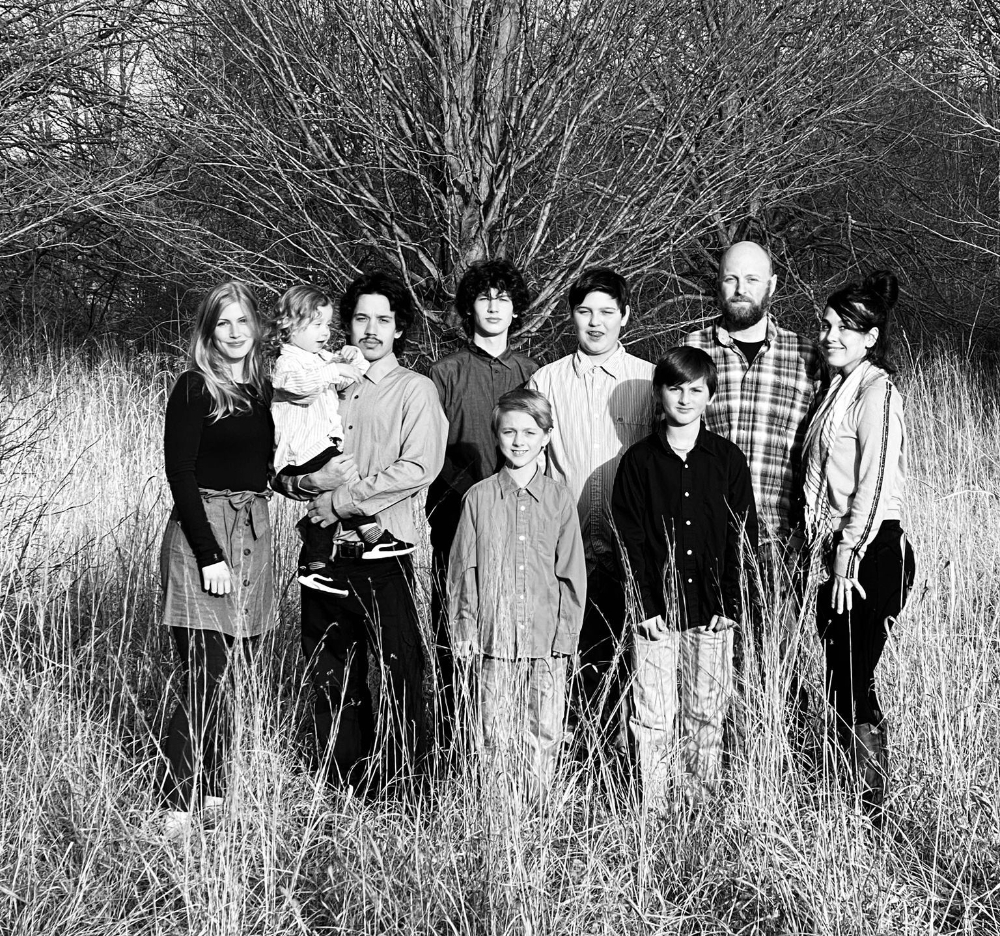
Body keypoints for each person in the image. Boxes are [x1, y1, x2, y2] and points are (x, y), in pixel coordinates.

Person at [277, 271, 447, 793]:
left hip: (382, 552)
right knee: (331, 670)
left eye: (383, 320)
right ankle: (345, 782)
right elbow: (281, 467)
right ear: (346, 325)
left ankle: (405, 786)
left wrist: (342, 500)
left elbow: (419, 466)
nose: (371, 329)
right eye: (361, 318)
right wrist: (307, 483)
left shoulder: (414, 390)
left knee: (400, 671)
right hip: (322, 550)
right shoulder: (319, 384)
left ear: (399, 329)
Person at [612, 348, 758, 807]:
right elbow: (627, 538)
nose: (685, 398)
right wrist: (645, 605)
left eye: (696, 389)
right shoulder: (637, 462)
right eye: (675, 388)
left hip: (711, 614)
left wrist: (731, 605)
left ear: (710, 396)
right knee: (653, 714)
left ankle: (699, 803)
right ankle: (652, 806)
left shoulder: (727, 460)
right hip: (656, 616)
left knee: (706, 711)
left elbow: (743, 535)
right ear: (659, 393)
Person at [159, 280, 275, 839]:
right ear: (208, 332)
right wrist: (210, 554)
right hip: (203, 534)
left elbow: (270, 469)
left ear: (256, 328)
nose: (234, 333)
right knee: (203, 674)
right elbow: (180, 474)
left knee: (234, 675)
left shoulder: (263, 392)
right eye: (222, 324)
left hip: (254, 532)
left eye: (242, 322)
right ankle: (178, 806)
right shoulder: (192, 389)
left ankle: (216, 795)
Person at [528, 267, 655, 765]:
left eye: (606, 312)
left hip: (633, 547)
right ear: (571, 316)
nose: (595, 323)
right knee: (574, 657)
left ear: (625, 316)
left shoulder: (646, 380)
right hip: (569, 547)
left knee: (633, 657)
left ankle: (628, 761)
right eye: (585, 312)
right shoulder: (547, 380)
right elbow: (532, 465)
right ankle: (578, 759)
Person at [684, 241, 820, 709]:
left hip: (776, 542)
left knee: (774, 664)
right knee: (703, 670)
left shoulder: (807, 357)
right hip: (704, 542)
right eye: (730, 279)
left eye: (752, 279)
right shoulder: (691, 351)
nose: (740, 290)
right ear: (718, 283)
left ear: (773, 286)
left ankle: (767, 766)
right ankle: (710, 771)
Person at [803, 270, 915, 824]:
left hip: (871, 552)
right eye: (827, 325)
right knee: (842, 674)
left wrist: (847, 550)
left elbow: (874, 485)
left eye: (848, 329)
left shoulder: (876, 391)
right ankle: (847, 794)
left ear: (872, 337)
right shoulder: (833, 388)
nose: (832, 337)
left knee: (852, 676)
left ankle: (868, 803)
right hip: (838, 550)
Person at [448, 389, 586, 802]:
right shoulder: (478, 498)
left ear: (546, 437)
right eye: (509, 431)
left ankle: (537, 811)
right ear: (496, 436)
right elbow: (463, 572)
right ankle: (497, 812)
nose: (519, 441)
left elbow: (571, 575)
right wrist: (465, 629)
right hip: (494, 643)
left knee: (544, 729)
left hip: (546, 645)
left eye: (530, 431)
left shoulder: (560, 499)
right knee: (494, 730)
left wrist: (566, 639)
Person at [427, 259, 540, 745]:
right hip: (457, 519)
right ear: (469, 308)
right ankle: (460, 744)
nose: (494, 306)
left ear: (516, 310)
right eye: (483, 297)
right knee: (459, 633)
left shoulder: (534, 373)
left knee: (519, 629)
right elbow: (428, 452)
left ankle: (516, 744)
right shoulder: (444, 372)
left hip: (523, 521)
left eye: (503, 298)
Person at [270, 284, 414, 595]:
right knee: (347, 477)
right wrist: (334, 368)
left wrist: (353, 358)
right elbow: (301, 386)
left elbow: (351, 374)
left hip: (319, 447)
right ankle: (371, 535)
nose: (324, 332)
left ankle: (317, 564)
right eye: (315, 324)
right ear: (289, 327)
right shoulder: (289, 362)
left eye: (326, 324)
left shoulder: (323, 358)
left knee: (343, 483)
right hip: (302, 451)